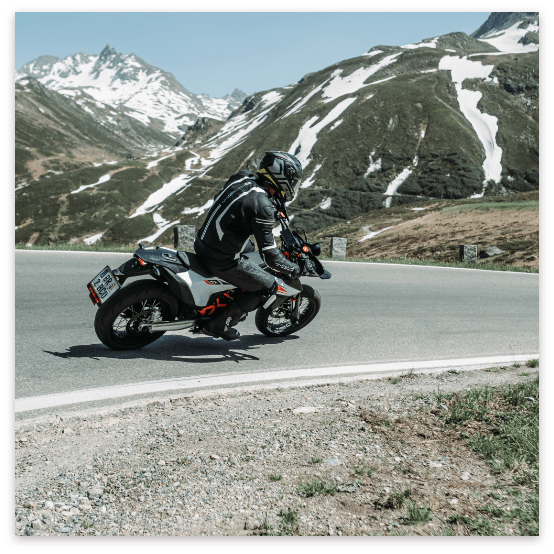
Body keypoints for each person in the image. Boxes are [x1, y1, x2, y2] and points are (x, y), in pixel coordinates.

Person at [194, 151, 303, 341]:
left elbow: (229, 201)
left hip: (203, 241)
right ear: (281, 176)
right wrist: (293, 269)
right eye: (292, 180)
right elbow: (270, 256)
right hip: (220, 259)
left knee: (249, 247)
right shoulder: (262, 205)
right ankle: (219, 324)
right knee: (268, 286)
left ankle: (229, 292)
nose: (293, 184)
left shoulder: (242, 178)